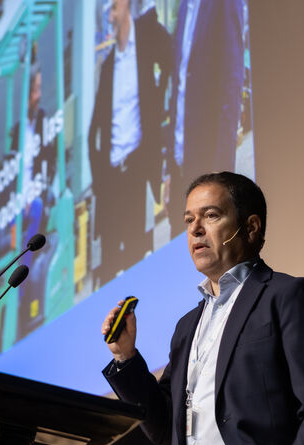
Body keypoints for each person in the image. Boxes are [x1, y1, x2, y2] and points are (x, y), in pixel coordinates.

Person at [101, 172, 304, 445]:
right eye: (189, 219)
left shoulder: (288, 297)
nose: (195, 229)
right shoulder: (186, 327)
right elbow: (163, 427)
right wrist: (125, 357)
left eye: (211, 215)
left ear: (251, 227)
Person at [88, 0, 172, 283]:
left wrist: (158, 104)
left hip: (136, 168)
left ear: (125, 5)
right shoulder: (109, 66)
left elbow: (172, 58)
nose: (110, 17)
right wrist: (99, 181)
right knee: (110, 265)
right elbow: (94, 129)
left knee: (138, 258)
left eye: (113, 9)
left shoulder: (147, 39)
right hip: (111, 179)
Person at [168, 0, 246, 232]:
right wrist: (169, 168)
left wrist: (223, 172)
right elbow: (179, 90)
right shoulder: (184, 7)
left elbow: (231, 85)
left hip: (207, 169)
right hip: (179, 168)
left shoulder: (224, 4)